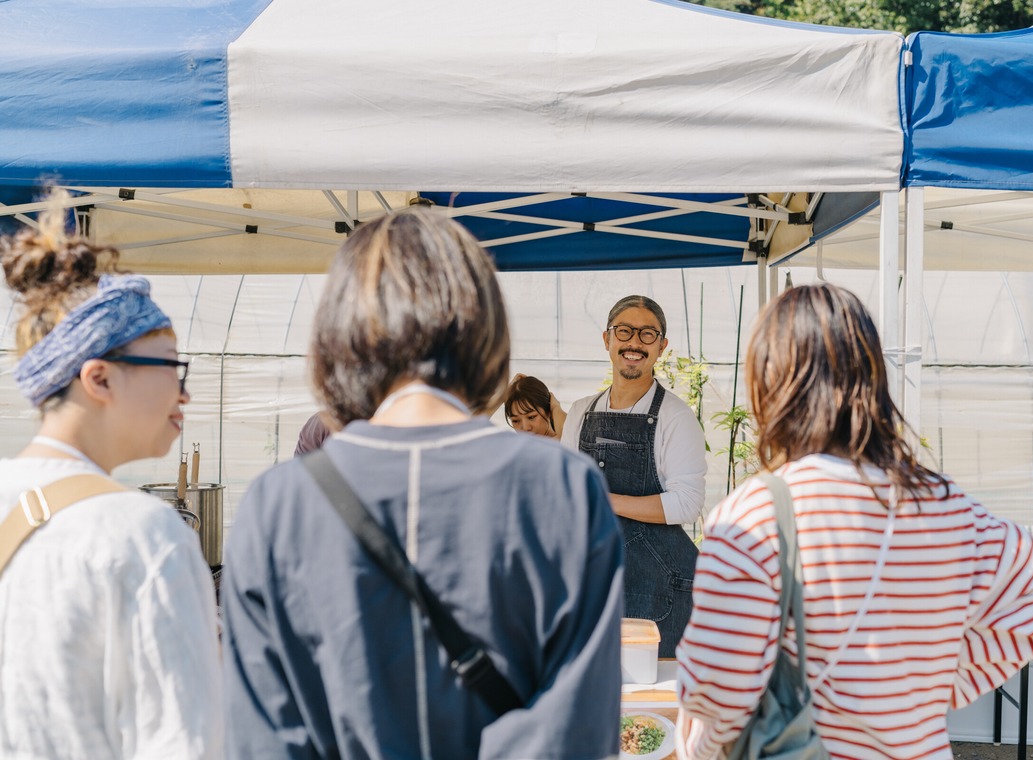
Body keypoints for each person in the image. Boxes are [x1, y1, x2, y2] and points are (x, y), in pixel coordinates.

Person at [223, 209, 624, 759]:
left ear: (339, 332)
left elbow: (265, 741)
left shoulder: (276, 507)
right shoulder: (565, 488)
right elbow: (575, 733)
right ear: (483, 326)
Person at [675, 283, 1033, 760]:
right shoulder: (947, 505)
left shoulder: (752, 516)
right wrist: (936, 686)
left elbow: (718, 691)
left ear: (768, 383)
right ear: (872, 377)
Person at [0, 199, 222, 759]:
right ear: (98, 377)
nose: (184, 393)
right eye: (171, 365)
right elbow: (185, 744)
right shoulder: (141, 533)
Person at [562, 294, 707, 658]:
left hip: (658, 588)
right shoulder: (580, 413)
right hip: (594, 581)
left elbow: (687, 503)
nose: (634, 343)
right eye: (624, 331)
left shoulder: (676, 417)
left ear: (661, 347)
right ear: (607, 339)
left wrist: (604, 501)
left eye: (647, 335)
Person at [504, 373, 566, 438]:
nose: (525, 428)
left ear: (549, 411)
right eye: (516, 421)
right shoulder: (516, 445)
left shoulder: (564, 442)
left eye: (531, 417)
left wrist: (556, 407)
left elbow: (570, 432)